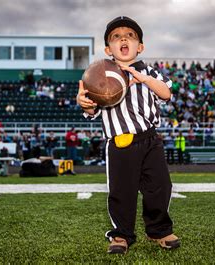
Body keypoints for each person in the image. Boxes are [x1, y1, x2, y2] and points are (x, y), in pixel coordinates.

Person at [76, 16, 179, 254]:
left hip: (150, 139)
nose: (123, 38)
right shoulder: (100, 73)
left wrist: (144, 79)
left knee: (160, 186)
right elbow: (91, 109)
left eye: (130, 35)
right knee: (122, 191)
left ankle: (159, 230)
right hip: (121, 142)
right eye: (116, 36)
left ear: (140, 47)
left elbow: (166, 94)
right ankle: (121, 235)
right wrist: (84, 104)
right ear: (108, 48)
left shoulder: (150, 72)